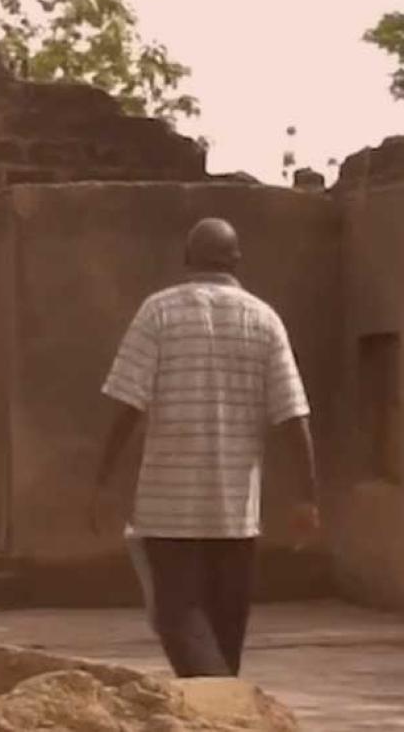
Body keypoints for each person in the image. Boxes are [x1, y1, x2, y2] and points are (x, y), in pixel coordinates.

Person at [91, 217, 320, 678]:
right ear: (237, 261)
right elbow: (293, 414)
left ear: (186, 259)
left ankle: (221, 715)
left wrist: (102, 482)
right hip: (235, 512)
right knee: (223, 630)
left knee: (177, 620)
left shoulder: (158, 312)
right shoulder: (264, 320)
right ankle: (224, 709)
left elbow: (126, 407)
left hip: (167, 507)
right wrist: (307, 497)